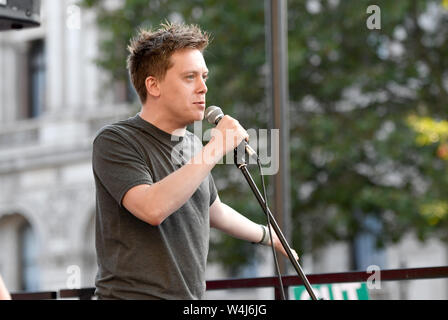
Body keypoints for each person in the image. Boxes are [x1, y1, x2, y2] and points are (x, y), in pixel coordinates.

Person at [92, 22, 298, 300]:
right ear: (153, 85)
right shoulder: (115, 140)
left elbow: (213, 210)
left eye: (204, 76)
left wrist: (268, 235)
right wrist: (216, 147)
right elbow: (152, 208)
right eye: (190, 77)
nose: (203, 88)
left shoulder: (191, 145)